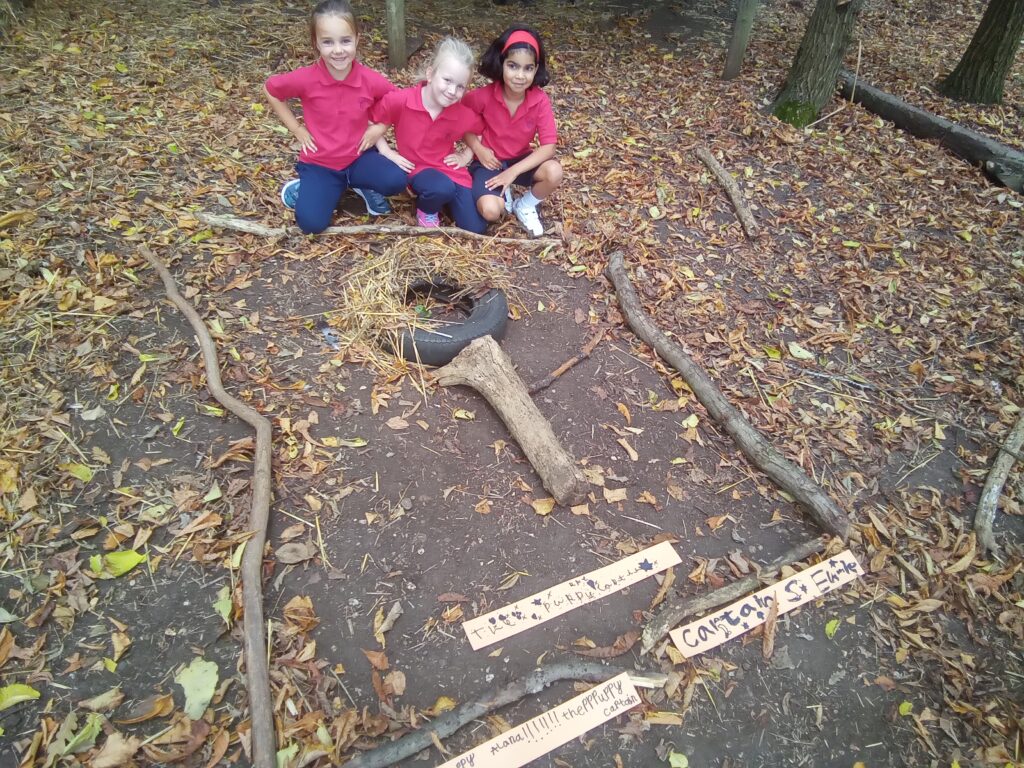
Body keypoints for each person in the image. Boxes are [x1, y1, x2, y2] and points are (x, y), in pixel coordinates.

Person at [264, 0, 411, 234]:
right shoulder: (305, 78)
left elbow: (397, 100)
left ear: (356, 39)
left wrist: (379, 129)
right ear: (316, 44)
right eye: (328, 42)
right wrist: (296, 129)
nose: (338, 50)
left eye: (345, 41)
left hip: (358, 157)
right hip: (321, 163)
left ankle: (359, 184)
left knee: (396, 180)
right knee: (311, 224)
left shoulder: (369, 79)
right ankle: (304, 188)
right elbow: (271, 90)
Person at [362, 37, 486, 233]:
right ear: (430, 74)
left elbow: (481, 131)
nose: (452, 91)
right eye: (447, 80)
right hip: (417, 168)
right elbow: (369, 118)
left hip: (448, 169)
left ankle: (443, 201)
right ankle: (425, 209)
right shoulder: (402, 100)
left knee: (475, 227)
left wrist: (466, 156)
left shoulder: (461, 113)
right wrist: (386, 151)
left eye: (460, 86)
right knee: (441, 188)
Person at [462, 25, 562, 237]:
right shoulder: (483, 96)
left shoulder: (539, 100)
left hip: (519, 161)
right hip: (490, 161)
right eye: (513, 66)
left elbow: (548, 146)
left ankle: (524, 205)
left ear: (536, 70)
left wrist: (513, 172)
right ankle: (502, 191)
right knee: (490, 212)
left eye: (528, 68)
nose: (520, 75)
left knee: (554, 172)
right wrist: (477, 149)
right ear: (502, 64)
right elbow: (461, 123)